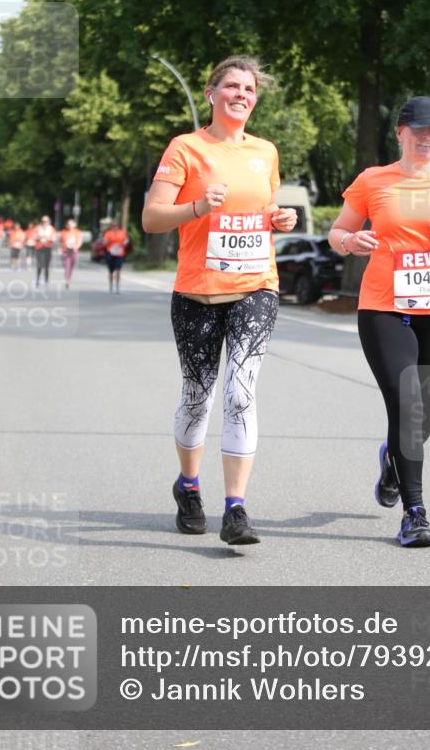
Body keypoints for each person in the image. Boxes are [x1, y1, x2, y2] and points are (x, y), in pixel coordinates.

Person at [142, 55, 297, 546]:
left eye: (249, 89)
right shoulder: (186, 148)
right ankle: (188, 486)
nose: (241, 95)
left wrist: (280, 218)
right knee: (197, 394)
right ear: (212, 95)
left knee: (239, 391)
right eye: (231, 86)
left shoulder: (266, 152)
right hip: (196, 291)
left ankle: (236, 507)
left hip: (256, 286)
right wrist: (195, 206)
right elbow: (150, 218)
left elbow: (263, 208)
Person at [328, 96, 430, 548]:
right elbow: (337, 231)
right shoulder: (373, 180)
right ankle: (414, 512)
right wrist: (351, 239)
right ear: (400, 132)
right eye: (420, 130)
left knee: (427, 412)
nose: (428, 139)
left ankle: (392, 460)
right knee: (407, 404)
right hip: (385, 309)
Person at [102, 220, 129, 293]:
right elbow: (104, 242)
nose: (114, 226)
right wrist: (107, 242)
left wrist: (124, 243)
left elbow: (126, 241)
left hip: (119, 253)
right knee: (111, 271)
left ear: (118, 226)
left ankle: (117, 286)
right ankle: (111, 286)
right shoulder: (108, 233)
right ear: (111, 226)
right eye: (113, 225)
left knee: (118, 270)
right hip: (110, 253)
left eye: (116, 225)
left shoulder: (122, 233)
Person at [34, 216, 57, 287]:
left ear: (48, 222)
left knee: (47, 266)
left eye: (46, 221)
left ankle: (46, 281)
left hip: (48, 248)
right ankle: (37, 279)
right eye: (43, 221)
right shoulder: (37, 228)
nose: (44, 222)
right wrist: (41, 237)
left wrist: (46, 238)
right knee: (39, 265)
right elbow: (34, 237)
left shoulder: (51, 228)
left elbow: (54, 238)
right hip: (39, 248)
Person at [60, 218, 82, 289]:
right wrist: (61, 248)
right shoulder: (63, 232)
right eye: (68, 224)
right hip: (65, 251)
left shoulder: (78, 232)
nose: (70, 225)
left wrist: (76, 247)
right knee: (67, 266)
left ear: (74, 225)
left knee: (71, 267)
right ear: (67, 225)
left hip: (74, 251)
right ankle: (67, 281)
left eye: (71, 224)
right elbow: (61, 241)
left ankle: (69, 278)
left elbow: (79, 241)